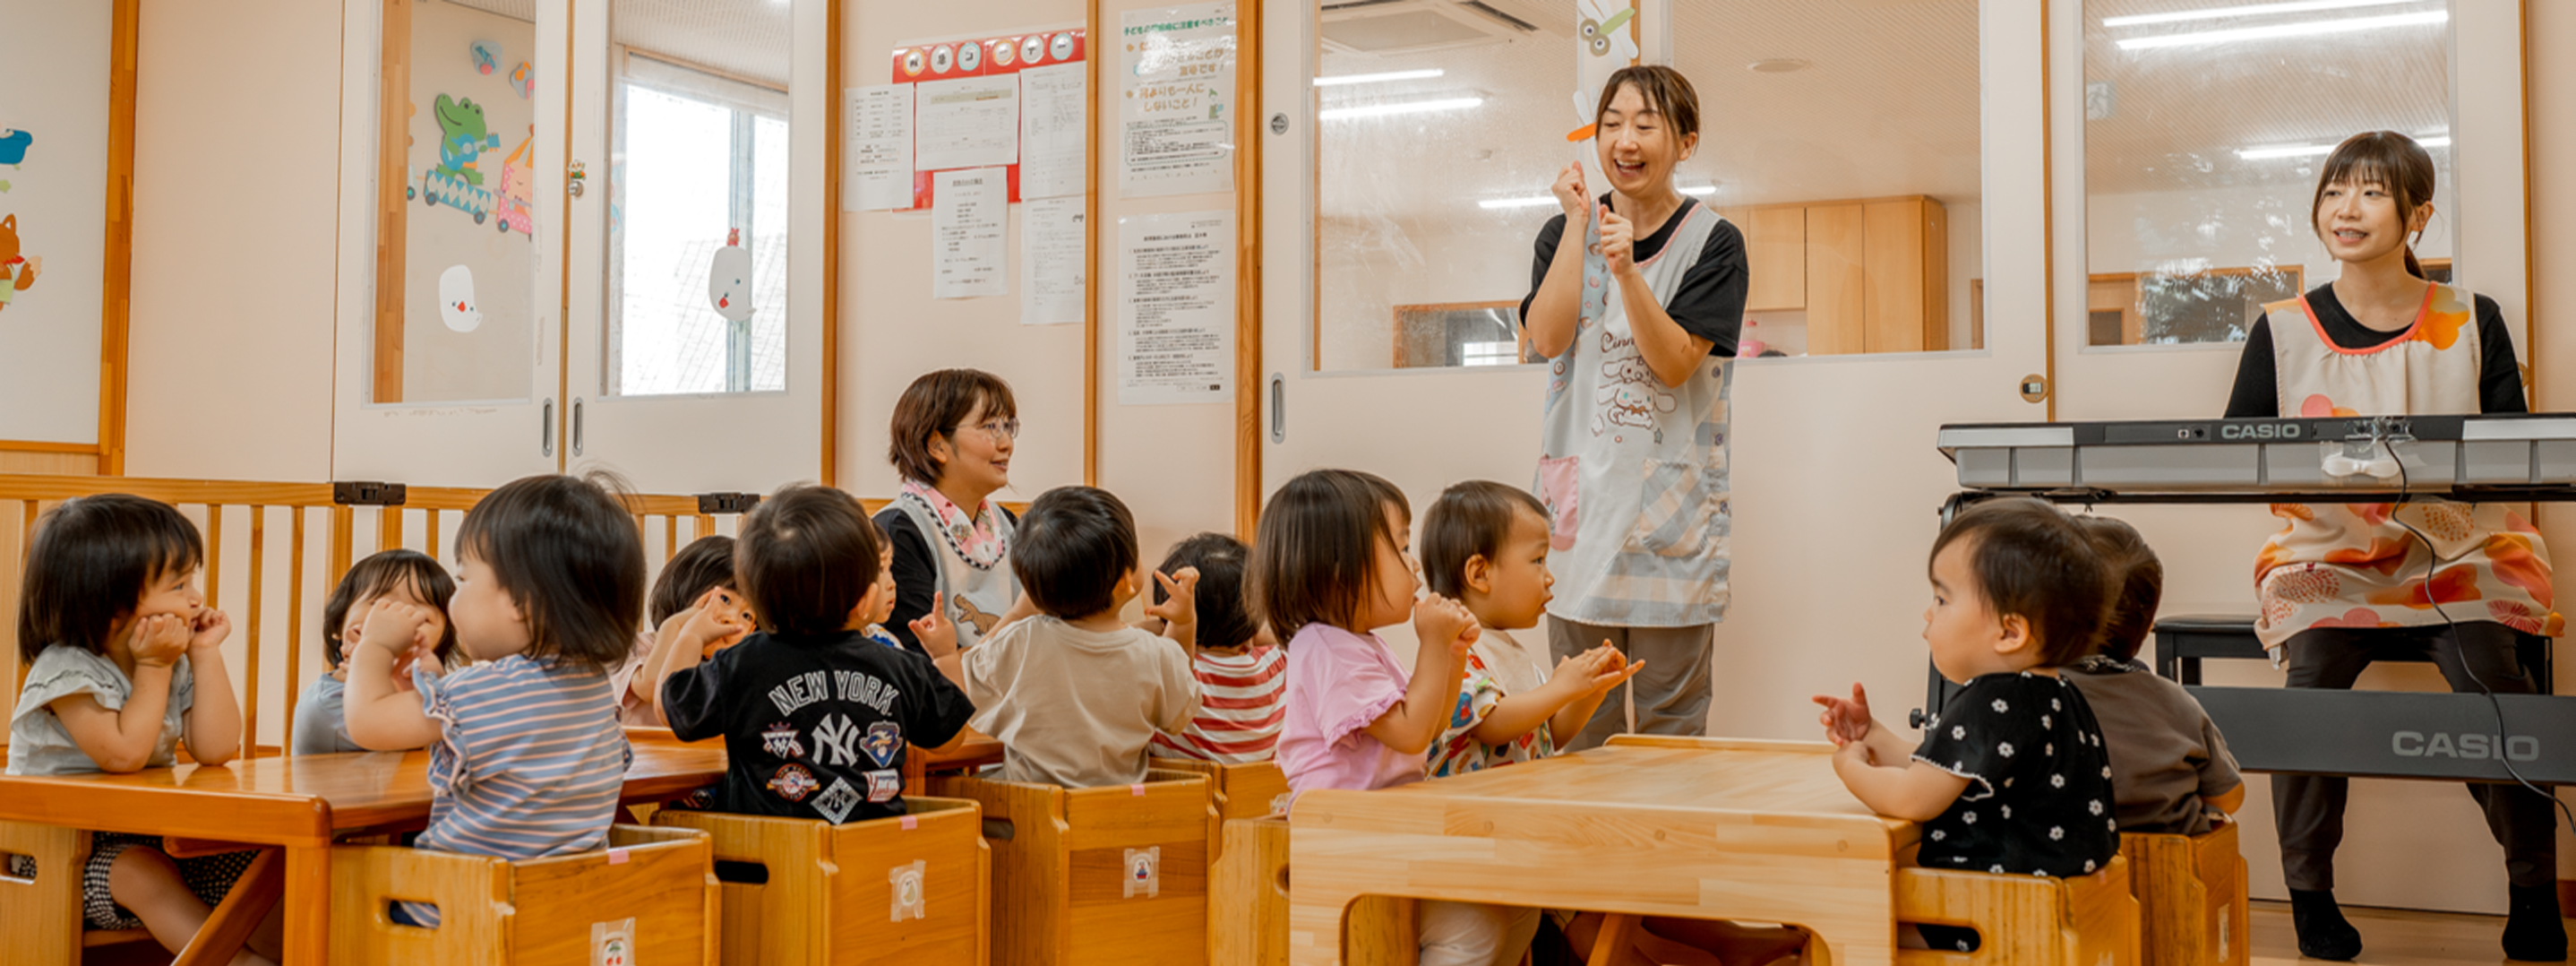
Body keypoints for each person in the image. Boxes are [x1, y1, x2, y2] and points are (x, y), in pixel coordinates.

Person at [2220, 131, 2563, 962]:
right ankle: (2310, 895)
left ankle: (2532, 891)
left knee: (2495, 681)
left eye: (2372, 193)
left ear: (2418, 215)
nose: (2347, 208)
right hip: (2330, 551)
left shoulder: (2471, 317)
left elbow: (2509, 452)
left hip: (2459, 548)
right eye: (2336, 190)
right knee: (2310, 689)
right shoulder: (2281, 328)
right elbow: (2242, 454)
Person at [1518, 65, 1747, 751]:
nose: (1626, 139)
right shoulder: (1563, 232)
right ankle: (1581, 859)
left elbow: (1675, 362)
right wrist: (1579, 224)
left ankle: (1665, 855)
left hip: (1667, 519)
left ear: (1686, 141)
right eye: (1612, 123)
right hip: (1578, 514)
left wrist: (1625, 273)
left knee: (1669, 725)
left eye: (1646, 124)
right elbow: (1548, 339)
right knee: (1574, 720)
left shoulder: (1715, 242)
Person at [1813, 497, 2119, 954]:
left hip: (1983, 919)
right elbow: (1944, 770)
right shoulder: (2056, 694)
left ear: (2010, 632)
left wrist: (1849, 764)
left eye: (1941, 598)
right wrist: (1872, 735)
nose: (1927, 613)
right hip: (2052, 907)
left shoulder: (1990, 698)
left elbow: (1912, 798)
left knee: (1830, 931)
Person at [342, 473, 644, 927]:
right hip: (552, 918)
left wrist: (374, 648)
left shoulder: (489, 691)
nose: (454, 598)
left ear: (521, 601)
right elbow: (468, 720)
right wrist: (426, 678)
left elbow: (367, 723)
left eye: (463, 579)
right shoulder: (594, 693)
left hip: (457, 917)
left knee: (333, 885)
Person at [1251, 469, 1510, 966]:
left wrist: (1452, 655)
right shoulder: (1325, 647)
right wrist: (1433, 644)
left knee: (1485, 912)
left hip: (1375, 833)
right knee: (1473, 923)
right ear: (1338, 568)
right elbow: (1413, 734)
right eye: (1400, 545)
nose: (1415, 565)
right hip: (1342, 840)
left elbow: (1429, 727)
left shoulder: (1358, 645)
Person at [7, 495, 272, 963]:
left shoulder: (170, 661)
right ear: (111, 604)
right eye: (179, 585)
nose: (196, 599)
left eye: (193, 580)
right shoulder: (66, 669)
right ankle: (236, 962)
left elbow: (215, 748)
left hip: (149, 837)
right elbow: (123, 754)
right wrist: (154, 665)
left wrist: (205, 653)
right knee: (139, 870)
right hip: (50, 859)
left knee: (264, 862)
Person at [653, 484, 976, 822]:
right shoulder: (899, 666)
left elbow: (669, 708)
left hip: (769, 861)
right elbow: (952, 739)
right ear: (865, 601)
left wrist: (690, 633)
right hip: (873, 855)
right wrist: (945, 658)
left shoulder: (741, 664)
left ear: (754, 594)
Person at [945, 486, 1201, 789]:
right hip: (1120, 822)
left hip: (1032, 819)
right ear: (1125, 582)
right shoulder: (1156, 654)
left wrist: (1017, 612)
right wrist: (1185, 622)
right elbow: (1180, 706)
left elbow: (960, 689)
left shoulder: (1021, 641)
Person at [1418, 480, 1639, 775]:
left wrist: (1587, 692)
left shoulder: (1508, 650)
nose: (1550, 578)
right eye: (1538, 560)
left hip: (1512, 805)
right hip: (1467, 812)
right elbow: (1492, 725)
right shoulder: (1454, 649)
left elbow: (1546, 735)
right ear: (1480, 573)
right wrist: (1560, 688)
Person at [2062, 516, 2245, 835]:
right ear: (2147, 627)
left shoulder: (2026, 696)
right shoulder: (2174, 699)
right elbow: (2228, 797)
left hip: (2069, 863)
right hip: (2171, 867)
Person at [877, 369, 1032, 655]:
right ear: (937, 445)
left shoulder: (1007, 523)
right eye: (990, 427)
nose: (1007, 443)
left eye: (1009, 427)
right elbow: (913, 659)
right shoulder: (898, 531)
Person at [292, 548, 457, 754]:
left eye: (419, 615)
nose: (396, 622)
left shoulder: (431, 692)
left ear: (440, 643)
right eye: (380, 605)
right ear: (339, 624)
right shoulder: (328, 704)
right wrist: (374, 653)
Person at [1144, 533, 1289, 764]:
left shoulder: (1176, 673)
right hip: (1259, 796)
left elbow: (1118, 637)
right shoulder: (1277, 664)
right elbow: (1286, 637)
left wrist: (1165, 624)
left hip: (1183, 794)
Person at [618, 536, 751, 727]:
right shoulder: (633, 649)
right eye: (725, 600)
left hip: (705, 757)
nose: (731, 618)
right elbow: (655, 688)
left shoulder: (731, 668)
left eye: (746, 616)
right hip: (641, 755)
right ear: (684, 589)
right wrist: (674, 627)